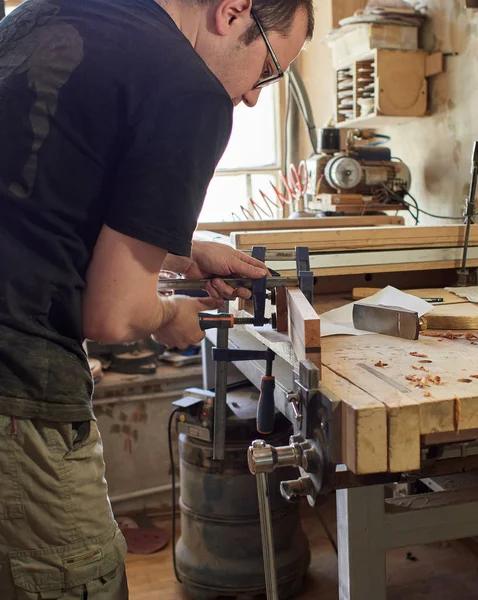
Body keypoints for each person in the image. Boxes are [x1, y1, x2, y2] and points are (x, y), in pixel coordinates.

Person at [0, 0, 314, 597]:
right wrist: (172, 315)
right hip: (15, 397)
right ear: (232, 11)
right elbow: (114, 314)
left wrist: (187, 252)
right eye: (269, 69)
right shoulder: (189, 90)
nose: (253, 96)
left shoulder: (45, 17)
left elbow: (49, 201)